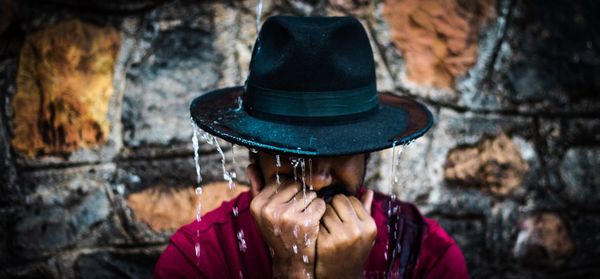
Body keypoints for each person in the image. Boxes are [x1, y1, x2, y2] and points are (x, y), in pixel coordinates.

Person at [155, 16, 468, 279]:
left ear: (367, 153)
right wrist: (292, 269)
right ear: (255, 153)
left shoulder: (424, 255)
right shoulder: (197, 259)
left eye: (340, 152)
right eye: (290, 155)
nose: (317, 180)